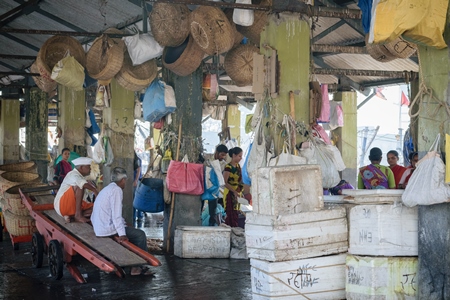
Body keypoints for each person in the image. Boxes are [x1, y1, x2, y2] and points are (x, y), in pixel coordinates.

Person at [91, 167, 152, 276]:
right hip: (107, 229)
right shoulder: (117, 190)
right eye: (125, 181)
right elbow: (116, 216)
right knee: (140, 235)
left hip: (99, 227)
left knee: (130, 228)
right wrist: (122, 234)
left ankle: (134, 264)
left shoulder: (107, 189)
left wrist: (124, 225)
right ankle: (138, 267)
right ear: (123, 180)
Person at [53, 157, 98, 223]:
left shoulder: (80, 176)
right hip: (62, 206)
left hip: (70, 207)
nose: (90, 169)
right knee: (80, 186)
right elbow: (82, 184)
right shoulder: (72, 174)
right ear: (81, 167)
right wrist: (94, 190)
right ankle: (78, 215)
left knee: (96, 209)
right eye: (88, 167)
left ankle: (73, 216)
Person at [223, 147, 243, 227]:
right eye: (239, 156)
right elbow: (225, 182)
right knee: (230, 213)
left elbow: (240, 181)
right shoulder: (228, 167)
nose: (241, 158)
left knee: (236, 213)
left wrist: (240, 191)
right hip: (229, 193)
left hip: (237, 193)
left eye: (241, 156)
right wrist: (234, 192)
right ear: (234, 155)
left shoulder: (238, 167)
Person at [133, 152, 144, 224]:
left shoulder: (137, 160)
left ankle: (139, 216)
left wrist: (136, 181)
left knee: (136, 199)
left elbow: (138, 171)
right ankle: (135, 216)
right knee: (135, 199)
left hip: (136, 182)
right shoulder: (136, 159)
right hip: (134, 181)